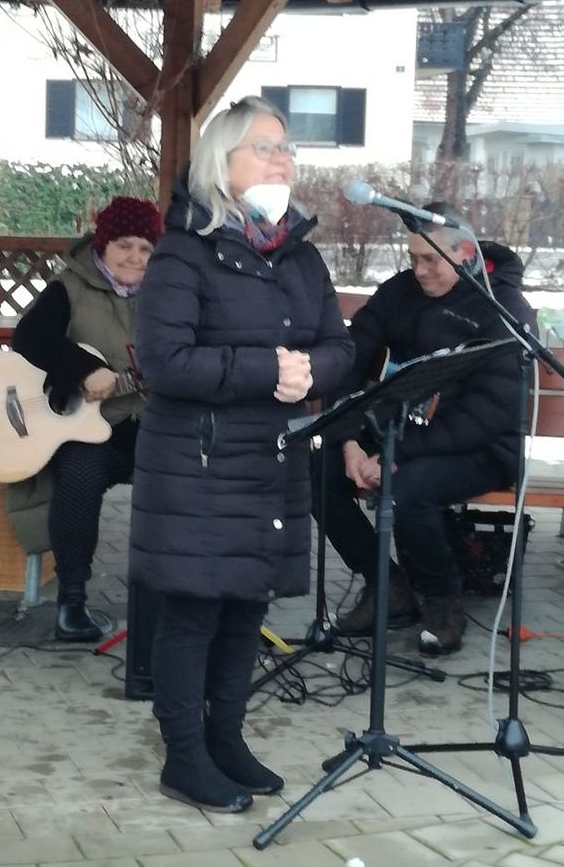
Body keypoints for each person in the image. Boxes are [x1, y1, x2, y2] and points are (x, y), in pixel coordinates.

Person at [129, 96, 355, 814]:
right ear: (219, 163)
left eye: (286, 148)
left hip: (271, 460)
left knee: (244, 608)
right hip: (198, 464)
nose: (281, 160)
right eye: (264, 147)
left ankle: (224, 739)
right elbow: (164, 362)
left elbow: (340, 345)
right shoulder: (182, 252)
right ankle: (183, 757)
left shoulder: (300, 254)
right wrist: (268, 371)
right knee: (195, 611)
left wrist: (312, 371)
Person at [312, 204, 537, 656]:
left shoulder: (504, 308)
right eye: (413, 258)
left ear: (465, 252)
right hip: (397, 430)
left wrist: (397, 455)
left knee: (405, 490)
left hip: (482, 446)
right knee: (313, 470)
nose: (419, 270)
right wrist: (349, 439)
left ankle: (443, 601)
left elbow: (488, 414)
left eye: (431, 259)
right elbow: (349, 363)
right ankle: (386, 584)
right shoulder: (399, 292)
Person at [11, 194, 163, 642]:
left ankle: (182, 595)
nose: (135, 257)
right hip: (90, 426)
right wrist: (83, 368)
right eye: (124, 245)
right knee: (78, 475)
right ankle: (72, 602)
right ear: (103, 244)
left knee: (194, 475)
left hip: (155, 425)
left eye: (146, 248)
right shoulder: (70, 286)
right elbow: (29, 337)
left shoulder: (168, 292)